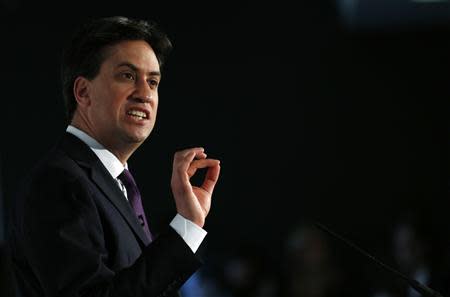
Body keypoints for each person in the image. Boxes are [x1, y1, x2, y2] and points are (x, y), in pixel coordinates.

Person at [8, 16, 221, 297]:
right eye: (127, 76)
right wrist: (185, 229)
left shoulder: (113, 183)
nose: (145, 94)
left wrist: (189, 220)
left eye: (153, 82)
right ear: (83, 92)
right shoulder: (58, 181)